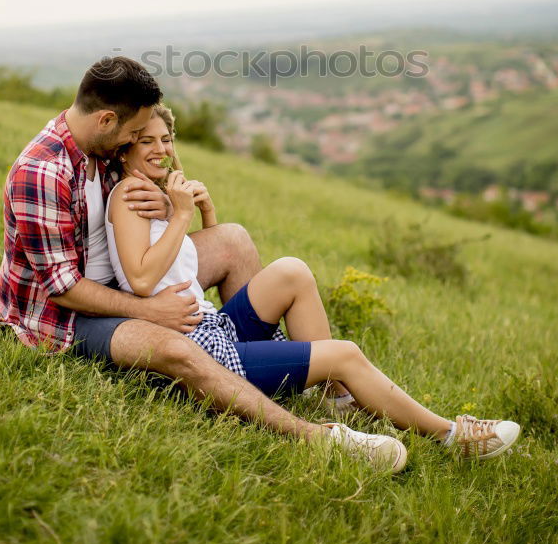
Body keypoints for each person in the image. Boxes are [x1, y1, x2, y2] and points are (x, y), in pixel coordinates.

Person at [0, 56, 408, 469]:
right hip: (61, 316)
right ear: (106, 120)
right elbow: (64, 289)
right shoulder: (43, 171)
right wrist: (146, 310)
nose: (136, 140)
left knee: (233, 240)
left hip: (122, 279)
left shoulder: (103, 146)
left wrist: (169, 203)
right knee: (172, 348)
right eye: (133, 132)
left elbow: (135, 205)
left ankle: (260, 364)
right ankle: (314, 435)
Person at [102, 104, 522, 470]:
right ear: (124, 148)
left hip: (210, 326)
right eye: (147, 142)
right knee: (345, 353)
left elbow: (188, 269)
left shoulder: (152, 193)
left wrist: (204, 210)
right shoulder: (128, 195)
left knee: (292, 271)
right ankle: (452, 434)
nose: (162, 149)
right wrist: (179, 217)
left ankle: (336, 396)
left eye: (167, 139)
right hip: (202, 348)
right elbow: (141, 280)